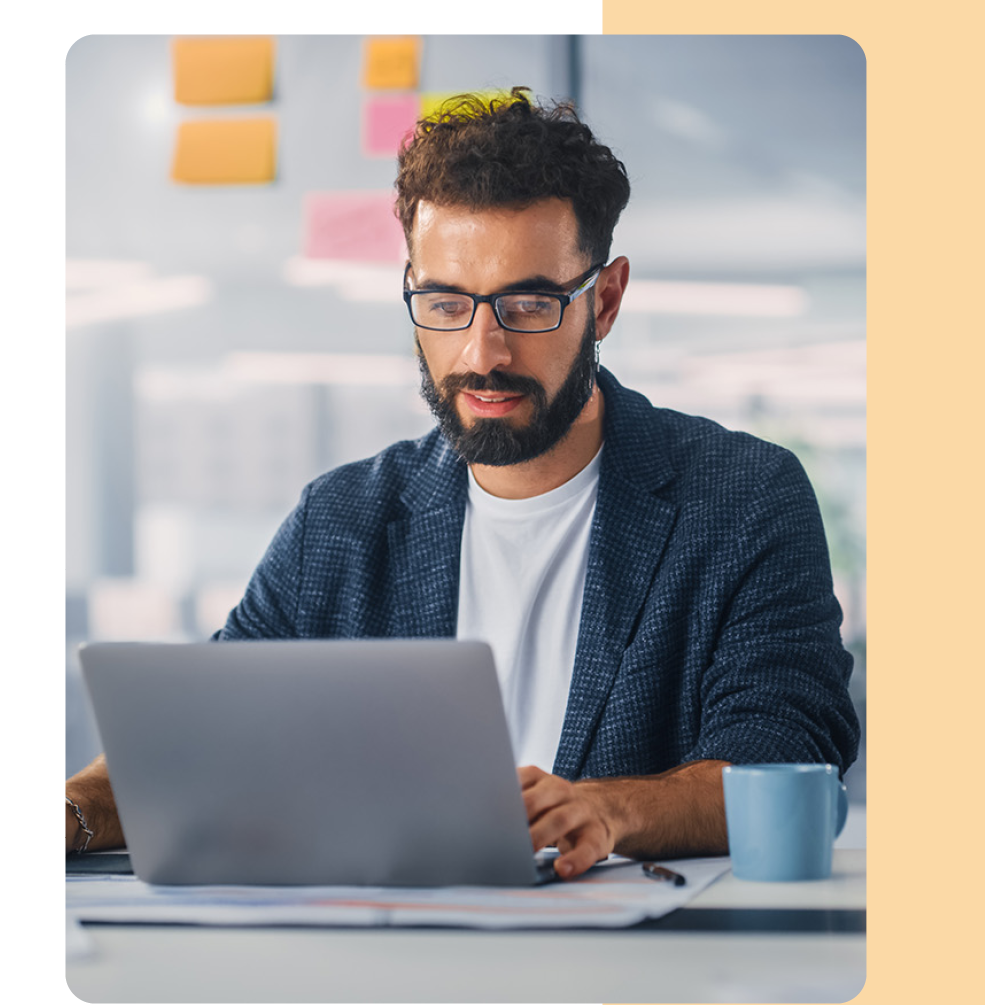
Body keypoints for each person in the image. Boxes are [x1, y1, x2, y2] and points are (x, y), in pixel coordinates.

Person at [66, 88, 860, 879]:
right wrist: (76, 811)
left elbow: (784, 765)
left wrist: (609, 810)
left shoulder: (741, 499)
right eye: (446, 302)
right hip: (385, 961)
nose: (483, 352)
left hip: (637, 974)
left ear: (606, 300)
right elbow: (203, 744)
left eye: (528, 303)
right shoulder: (340, 523)